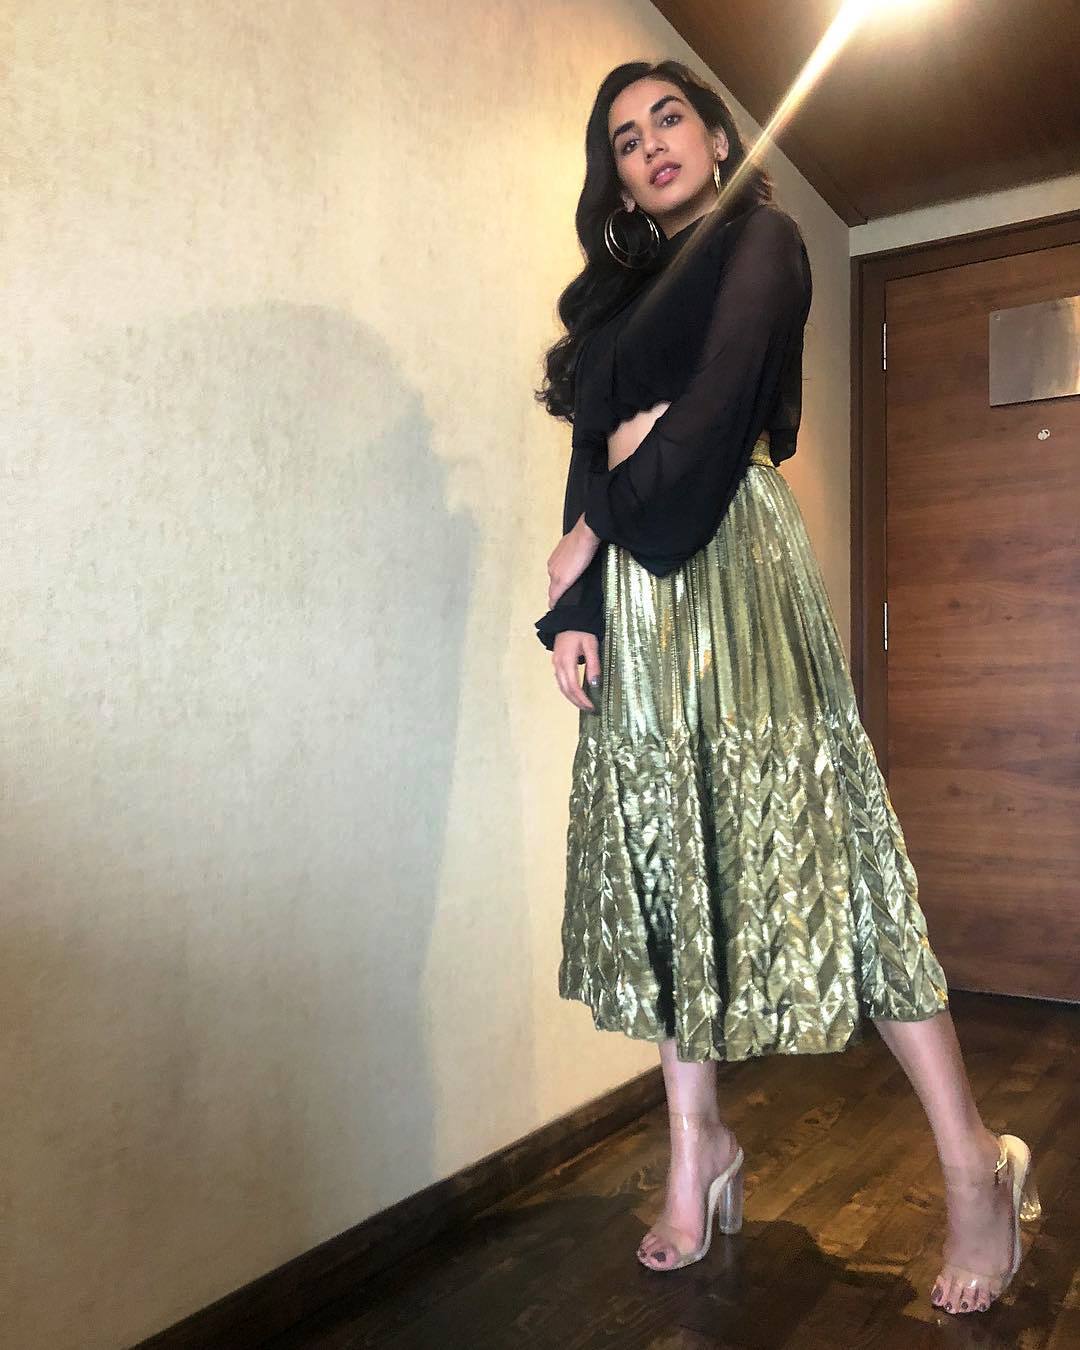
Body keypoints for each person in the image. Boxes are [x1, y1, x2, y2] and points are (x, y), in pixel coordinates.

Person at [532, 60, 1041, 1315]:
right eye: (625, 137)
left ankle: (973, 1164)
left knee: (836, 854)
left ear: (717, 137)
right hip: (636, 599)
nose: (651, 143)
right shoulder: (613, 302)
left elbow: (711, 427)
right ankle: (698, 1146)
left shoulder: (761, 241)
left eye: (670, 118)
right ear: (617, 178)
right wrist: (577, 609)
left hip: (730, 565)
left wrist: (594, 534)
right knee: (667, 851)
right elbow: (593, 455)